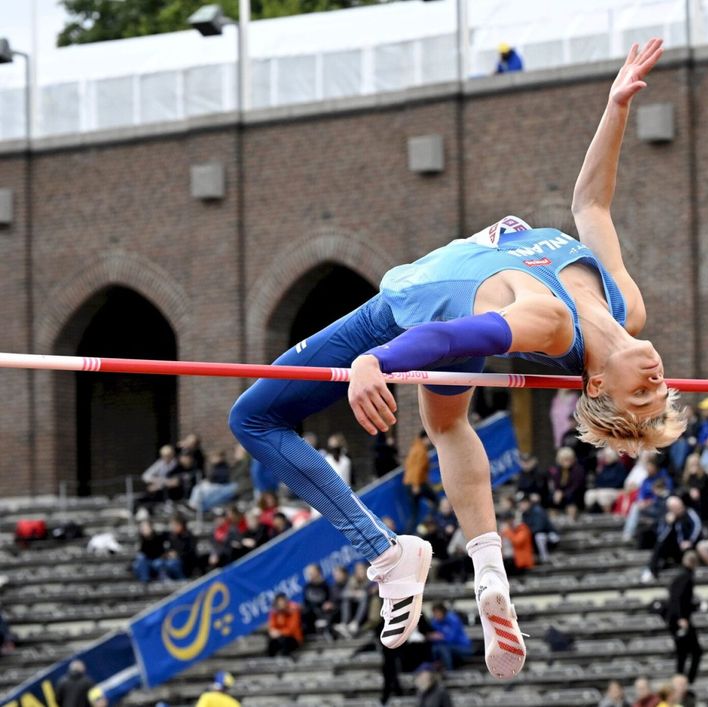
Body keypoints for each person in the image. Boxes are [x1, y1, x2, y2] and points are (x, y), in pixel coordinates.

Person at [228, 39, 684, 679]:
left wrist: (376, 362)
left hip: (413, 314)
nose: (658, 383)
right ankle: (486, 575)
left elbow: (447, 342)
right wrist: (616, 107)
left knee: (253, 419)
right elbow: (591, 205)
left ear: (600, 384)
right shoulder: (625, 303)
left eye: (644, 396)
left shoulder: (550, 325)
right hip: (433, 301)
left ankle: (388, 554)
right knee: (445, 425)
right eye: (660, 394)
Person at [665, 550, 703, 683]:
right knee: (692, 651)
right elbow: (677, 598)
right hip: (680, 620)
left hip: (677, 619)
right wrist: (682, 617)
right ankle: (685, 681)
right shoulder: (685, 577)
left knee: (684, 652)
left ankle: (682, 680)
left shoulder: (681, 575)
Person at [645, 496, 701, 580]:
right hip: (675, 547)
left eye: (680, 506)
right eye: (676, 508)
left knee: (689, 554)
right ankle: (651, 571)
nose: (679, 509)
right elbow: (661, 537)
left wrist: (690, 541)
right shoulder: (667, 518)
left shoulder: (689, 512)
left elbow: (697, 527)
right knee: (659, 546)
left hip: (689, 545)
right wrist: (669, 525)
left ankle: (687, 576)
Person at [404, 431, 438, 531]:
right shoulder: (421, 450)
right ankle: (427, 522)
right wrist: (416, 485)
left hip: (409, 483)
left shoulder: (414, 448)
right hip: (417, 483)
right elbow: (417, 469)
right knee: (436, 501)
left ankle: (409, 533)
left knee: (414, 513)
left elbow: (409, 467)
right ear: (425, 438)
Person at [428, 603, 473, 671]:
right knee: (434, 649)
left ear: (443, 612)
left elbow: (452, 638)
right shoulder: (435, 621)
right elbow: (432, 637)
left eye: (437, 613)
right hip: (446, 649)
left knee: (443, 648)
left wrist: (441, 637)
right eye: (434, 613)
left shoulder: (453, 619)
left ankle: (449, 672)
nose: (436, 615)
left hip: (462, 648)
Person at [585, 446, 629, 512]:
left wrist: (605, 485)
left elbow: (618, 482)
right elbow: (598, 480)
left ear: (613, 456)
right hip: (603, 489)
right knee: (589, 494)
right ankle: (589, 514)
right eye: (605, 457)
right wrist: (603, 485)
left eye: (608, 456)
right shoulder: (604, 467)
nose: (606, 459)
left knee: (603, 495)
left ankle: (607, 516)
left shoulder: (620, 467)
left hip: (616, 490)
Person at [549, 446, 587, 518]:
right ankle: (553, 519)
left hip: (576, 494)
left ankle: (571, 519)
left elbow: (576, 486)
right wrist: (558, 492)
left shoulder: (578, 470)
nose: (567, 461)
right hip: (562, 494)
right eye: (564, 460)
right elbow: (557, 485)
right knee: (551, 498)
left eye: (569, 459)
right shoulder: (558, 470)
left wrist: (563, 494)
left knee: (570, 497)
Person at [301, 564, 336, 638]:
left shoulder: (325, 585)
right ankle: (311, 634)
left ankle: (328, 631)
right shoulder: (307, 587)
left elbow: (331, 599)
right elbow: (306, 602)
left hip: (324, 610)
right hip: (312, 612)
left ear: (318, 572)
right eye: (309, 573)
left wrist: (328, 604)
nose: (310, 574)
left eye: (312, 572)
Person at [266, 593, 303, 657]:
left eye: (282, 601)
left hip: (293, 638)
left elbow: (292, 629)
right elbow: (272, 626)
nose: (281, 604)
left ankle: (285, 657)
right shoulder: (274, 612)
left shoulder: (293, 611)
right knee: (271, 641)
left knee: (285, 640)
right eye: (279, 602)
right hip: (279, 637)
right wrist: (274, 632)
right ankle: (271, 658)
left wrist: (280, 632)